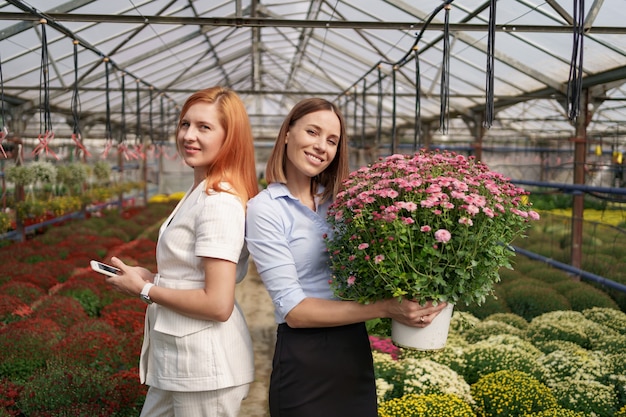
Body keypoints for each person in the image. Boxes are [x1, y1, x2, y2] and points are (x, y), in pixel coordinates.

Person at [245, 98, 448, 417]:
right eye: (312, 132)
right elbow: (294, 311)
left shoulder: (342, 204)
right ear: (287, 133)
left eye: (332, 141)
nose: (320, 146)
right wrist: (386, 308)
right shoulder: (266, 208)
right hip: (304, 357)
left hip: (352, 347)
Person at [105, 86, 258, 417]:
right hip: (180, 359)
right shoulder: (201, 189)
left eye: (205, 127)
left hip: (205, 367)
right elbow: (194, 275)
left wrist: (145, 289)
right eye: (185, 124)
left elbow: (218, 304)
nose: (189, 135)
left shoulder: (220, 202)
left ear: (229, 138)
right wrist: (155, 277)